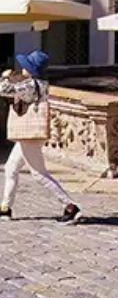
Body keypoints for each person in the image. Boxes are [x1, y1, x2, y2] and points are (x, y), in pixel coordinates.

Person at [1, 51, 81, 223]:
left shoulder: (31, 86)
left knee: (39, 174)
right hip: (28, 135)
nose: (22, 68)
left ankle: (70, 206)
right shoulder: (39, 84)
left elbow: (4, 90)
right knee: (11, 168)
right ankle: (5, 208)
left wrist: (4, 77)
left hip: (29, 135)